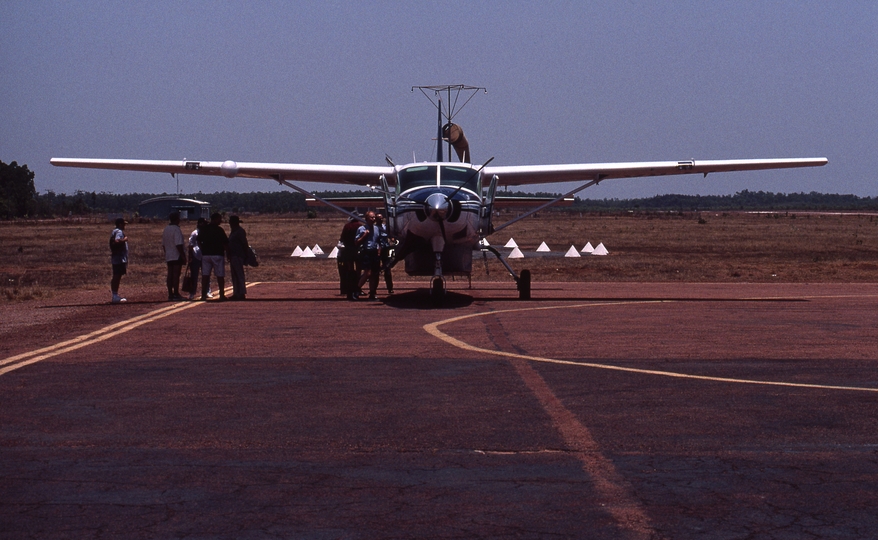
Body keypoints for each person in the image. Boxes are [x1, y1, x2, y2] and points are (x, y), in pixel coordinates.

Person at [198, 212, 229, 301]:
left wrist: (203, 249)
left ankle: (203, 294)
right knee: (220, 275)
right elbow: (225, 243)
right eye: (219, 219)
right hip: (217, 254)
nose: (220, 220)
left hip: (206, 255)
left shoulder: (204, 229)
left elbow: (199, 241)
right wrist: (228, 253)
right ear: (215, 219)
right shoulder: (219, 230)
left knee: (205, 275)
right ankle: (222, 294)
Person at [185, 218, 214, 301]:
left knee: (206, 274)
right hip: (196, 255)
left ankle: (207, 291)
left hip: (205, 255)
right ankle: (192, 292)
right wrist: (190, 257)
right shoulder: (194, 233)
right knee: (194, 275)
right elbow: (190, 246)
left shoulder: (207, 233)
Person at [355, 211, 381, 300]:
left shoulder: (377, 229)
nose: (374, 219)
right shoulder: (361, 229)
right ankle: (357, 289)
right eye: (371, 217)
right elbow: (357, 242)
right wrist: (364, 235)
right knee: (367, 273)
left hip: (374, 252)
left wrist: (379, 251)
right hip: (366, 252)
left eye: (374, 217)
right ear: (366, 219)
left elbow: (378, 241)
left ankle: (372, 293)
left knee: (374, 274)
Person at [161, 211, 186, 301]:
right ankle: (176, 293)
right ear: (177, 219)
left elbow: (163, 244)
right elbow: (178, 244)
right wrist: (183, 256)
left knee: (170, 275)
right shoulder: (176, 229)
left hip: (169, 254)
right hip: (176, 255)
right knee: (176, 275)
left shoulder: (166, 229)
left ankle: (170, 293)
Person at [337, 215, 361, 300]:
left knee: (350, 269)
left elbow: (342, 238)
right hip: (358, 249)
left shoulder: (347, 226)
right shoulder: (360, 225)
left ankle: (349, 287)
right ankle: (358, 286)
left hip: (348, 250)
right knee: (359, 269)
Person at [227, 215, 248, 300]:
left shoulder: (240, 231)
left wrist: (245, 255)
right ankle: (236, 293)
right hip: (233, 255)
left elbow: (244, 244)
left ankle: (241, 293)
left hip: (238, 255)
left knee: (239, 274)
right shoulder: (234, 231)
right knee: (235, 275)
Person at [109, 217, 129, 304]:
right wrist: (124, 239)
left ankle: (114, 294)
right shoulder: (119, 232)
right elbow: (117, 241)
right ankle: (115, 295)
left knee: (116, 275)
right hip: (119, 258)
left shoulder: (114, 231)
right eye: (123, 224)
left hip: (116, 257)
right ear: (120, 224)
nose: (124, 226)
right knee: (117, 276)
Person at [375, 213, 394, 294]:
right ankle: (374, 289)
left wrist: (392, 239)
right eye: (379, 218)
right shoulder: (374, 228)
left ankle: (390, 288)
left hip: (385, 250)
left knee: (387, 269)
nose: (381, 220)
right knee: (375, 270)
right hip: (376, 250)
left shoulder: (385, 227)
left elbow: (390, 236)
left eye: (382, 218)